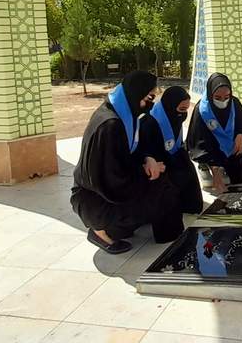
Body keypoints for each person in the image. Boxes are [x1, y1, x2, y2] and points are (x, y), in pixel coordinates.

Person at [71, 71, 185, 254]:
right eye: (149, 98)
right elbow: (112, 180)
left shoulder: (123, 115)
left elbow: (129, 151)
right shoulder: (110, 125)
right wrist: (145, 171)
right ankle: (103, 232)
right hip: (96, 200)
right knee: (161, 189)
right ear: (135, 93)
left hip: (105, 190)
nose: (151, 104)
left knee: (162, 181)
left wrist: (147, 159)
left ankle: (129, 225)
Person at [138, 85, 203, 214]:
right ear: (170, 105)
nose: (183, 114)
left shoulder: (174, 116)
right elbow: (145, 151)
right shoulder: (150, 122)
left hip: (172, 158)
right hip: (156, 164)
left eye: (186, 109)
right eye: (182, 109)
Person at [187, 73, 242, 192]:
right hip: (211, 149)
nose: (223, 101)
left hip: (231, 149)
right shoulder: (202, 110)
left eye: (227, 97)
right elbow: (198, 143)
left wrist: (240, 135)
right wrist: (215, 171)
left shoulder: (234, 103)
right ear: (210, 94)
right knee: (210, 182)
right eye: (217, 98)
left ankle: (227, 166)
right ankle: (205, 167)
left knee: (238, 179)